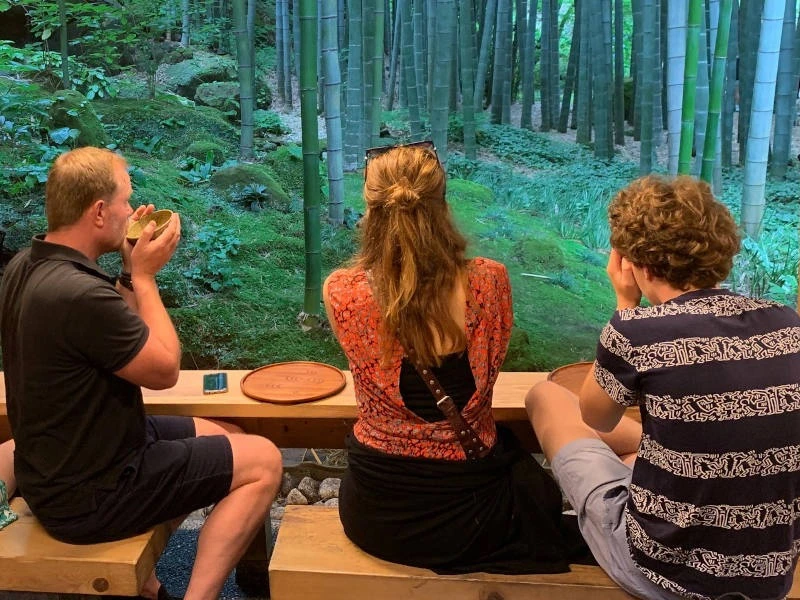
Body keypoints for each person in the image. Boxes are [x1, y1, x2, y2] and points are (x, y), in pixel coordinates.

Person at [0, 147, 283, 600]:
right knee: (264, 461)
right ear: (98, 211)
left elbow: (115, 337)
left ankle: (147, 582)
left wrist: (131, 271)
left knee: (225, 432)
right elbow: (163, 370)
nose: (132, 211)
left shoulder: (26, 266)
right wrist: (148, 278)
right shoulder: (76, 293)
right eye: (125, 202)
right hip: (95, 493)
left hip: (75, 460)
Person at [526, 175, 800, 600]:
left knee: (545, 398)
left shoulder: (638, 330)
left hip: (661, 572)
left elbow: (594, 416)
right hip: (770, 576)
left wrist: (624, 307)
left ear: (634, 262)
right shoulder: (787, 324)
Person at [323, 141, 588, 574]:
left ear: (369, 210)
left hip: (375, 516)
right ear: (442, 205)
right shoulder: (489, 282)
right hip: (475, 517)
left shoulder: (341, 292)